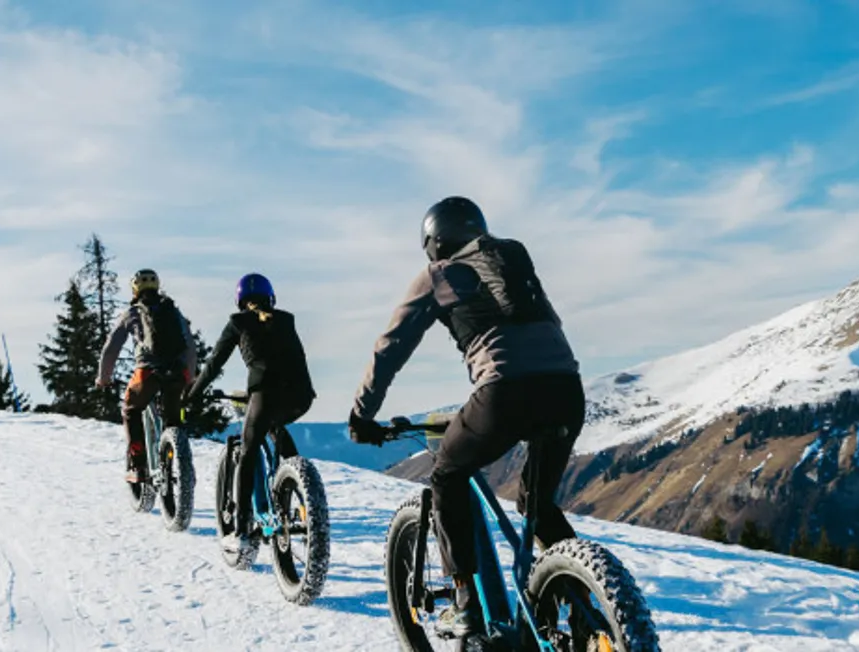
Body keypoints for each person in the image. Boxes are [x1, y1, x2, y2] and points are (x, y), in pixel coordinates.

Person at [347, 196, 584, 646]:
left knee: (447, 474)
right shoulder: (511, 260)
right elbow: (549, 323)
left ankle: (465, 603)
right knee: (538, 506)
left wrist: (362, 414)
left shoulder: (438, 274)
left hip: (504, 393)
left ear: (434, 242)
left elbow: (391, 346)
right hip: (567, 390)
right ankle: (581, 603)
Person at [183, 273, 317, 554]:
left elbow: (214, 364)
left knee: (248, 451)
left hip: (265, 393)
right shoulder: (286, 320)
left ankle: (241, 531)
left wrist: (192, 394)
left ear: (240, 301)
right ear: (271, 298)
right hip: (301, 395)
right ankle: (303, 496)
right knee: (276, 427)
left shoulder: (238, 322)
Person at [97, 269, 198, 487]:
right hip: (177, 373)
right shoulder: (173, 311)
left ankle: (138, 465)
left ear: (135, 290)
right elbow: (190, 345)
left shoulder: (132, 313)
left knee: (131, 409)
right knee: (173, 419)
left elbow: (111, 348)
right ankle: (181, 465)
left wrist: (103, 378)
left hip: (147, 373)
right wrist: (189, 377)